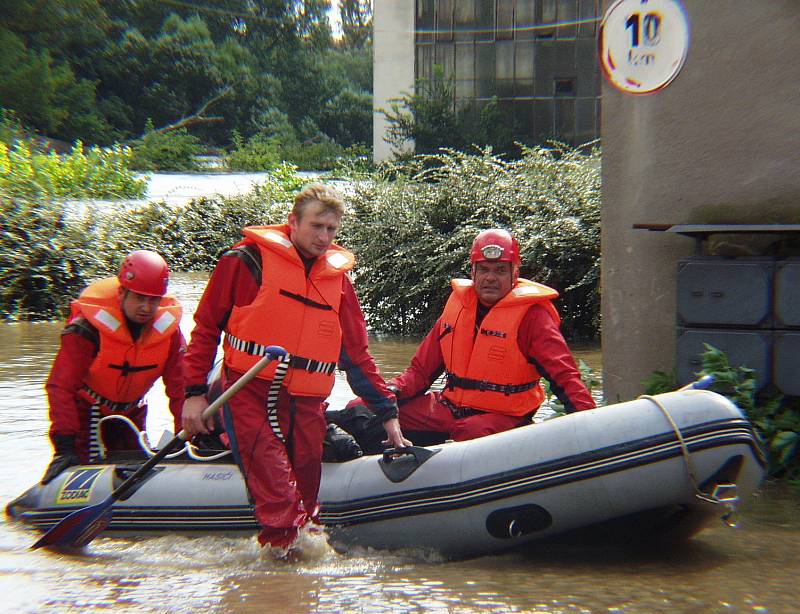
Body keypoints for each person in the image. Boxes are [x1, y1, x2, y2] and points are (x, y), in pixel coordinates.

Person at [181, 183, 409, 554]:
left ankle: (300, 584)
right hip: (247, 392)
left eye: (331, 229)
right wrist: (192, 395)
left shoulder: (338, 282)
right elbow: (205, 329)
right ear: (293, 222)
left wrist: (388, 414)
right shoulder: (245, 262)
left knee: (306, 497)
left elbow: (357, 356)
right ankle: (282, 585)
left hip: (306, 402)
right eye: (316, 226)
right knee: (281, 502)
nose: (324, 237)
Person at [370, 228, 596, 443]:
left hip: (506, 417)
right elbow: (419, 373)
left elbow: (566, 378)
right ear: (473, 272)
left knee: (469, 431)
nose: (490, 278)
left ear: (514, 275)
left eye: (500, 270)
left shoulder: (533, 318)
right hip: (449, 409)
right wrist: (391, 391)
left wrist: (591, 427)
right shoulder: (457, 311)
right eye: (484, 269)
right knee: (364, 409)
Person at [42, 250, 186, 484]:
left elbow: (181, 388)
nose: (146, 308)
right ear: (121, 293)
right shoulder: (85, 330)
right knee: (80, 474)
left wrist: (185, 434)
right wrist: (64, 446)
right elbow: (60, 387)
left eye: (153, 300)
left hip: (131, 414)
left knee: (140, 478)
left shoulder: (169, 333)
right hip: (87, 414)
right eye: (139, 298)